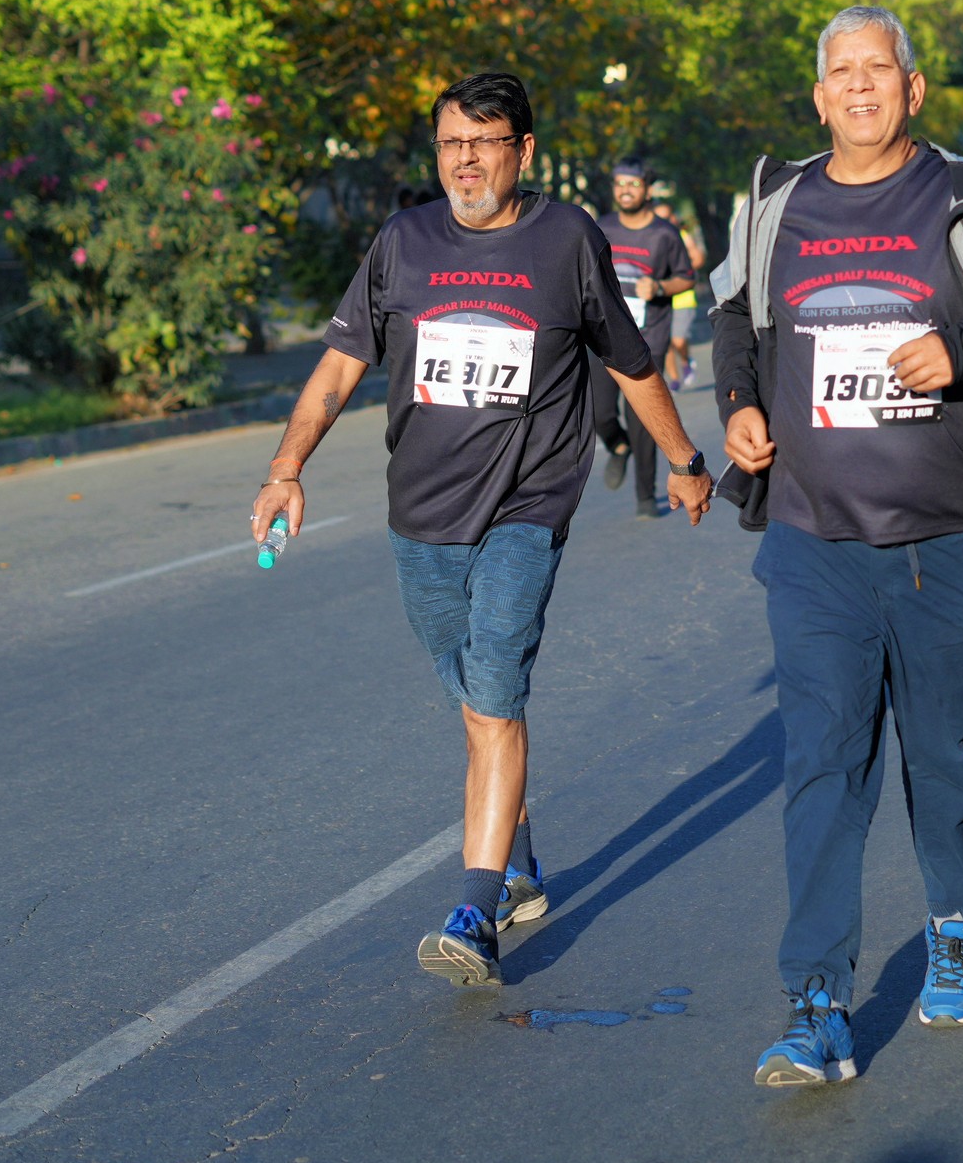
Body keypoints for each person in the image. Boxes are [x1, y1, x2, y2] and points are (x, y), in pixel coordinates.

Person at [248, 73, 715, 988]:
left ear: (523, 150)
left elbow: (629, 362)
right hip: (421, 515)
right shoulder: (403, 240)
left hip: (525, 508)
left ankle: (476, 908)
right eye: (451, 142)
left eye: (484, 141)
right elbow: (339, 367)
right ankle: (521, 858)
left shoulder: (566, 237)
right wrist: (285, 467)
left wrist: (685, 459)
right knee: (474, 696)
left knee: (494, 690)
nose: (465, 160)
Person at [711, 5, 963, 1087]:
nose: (861, 87)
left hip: (944, 539)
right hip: (812, 537)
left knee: (942, 754)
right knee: (822, 763)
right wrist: (738, 402)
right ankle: (815, 1003)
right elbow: (732, 317)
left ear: (912, 89)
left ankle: (954, 929)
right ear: (819, 95)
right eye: (843, 72)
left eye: (879, 69)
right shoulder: (773, 202)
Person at [590, 160, 696, 515]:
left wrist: (660, 287)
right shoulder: (602, 227)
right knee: (599, 411)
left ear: (647, 190)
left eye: (633, 184)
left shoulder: (665, 234)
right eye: (619, 183)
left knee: (643, 420)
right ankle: (618, 446)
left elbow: (687, 277)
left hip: (648, 337)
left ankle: (645, 497)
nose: (625, 190)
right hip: (603, 335)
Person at [656, 198, 709, 388]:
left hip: (683, 296)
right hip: (661, 296)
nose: (664, 220)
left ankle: (686, 361)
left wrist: (681, 270)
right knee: (666, 342)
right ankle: (674, 379)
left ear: (674, 217)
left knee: (678, 340)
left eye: (667, 216)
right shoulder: (652, 237)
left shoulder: (683, 236)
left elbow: (698, 260)